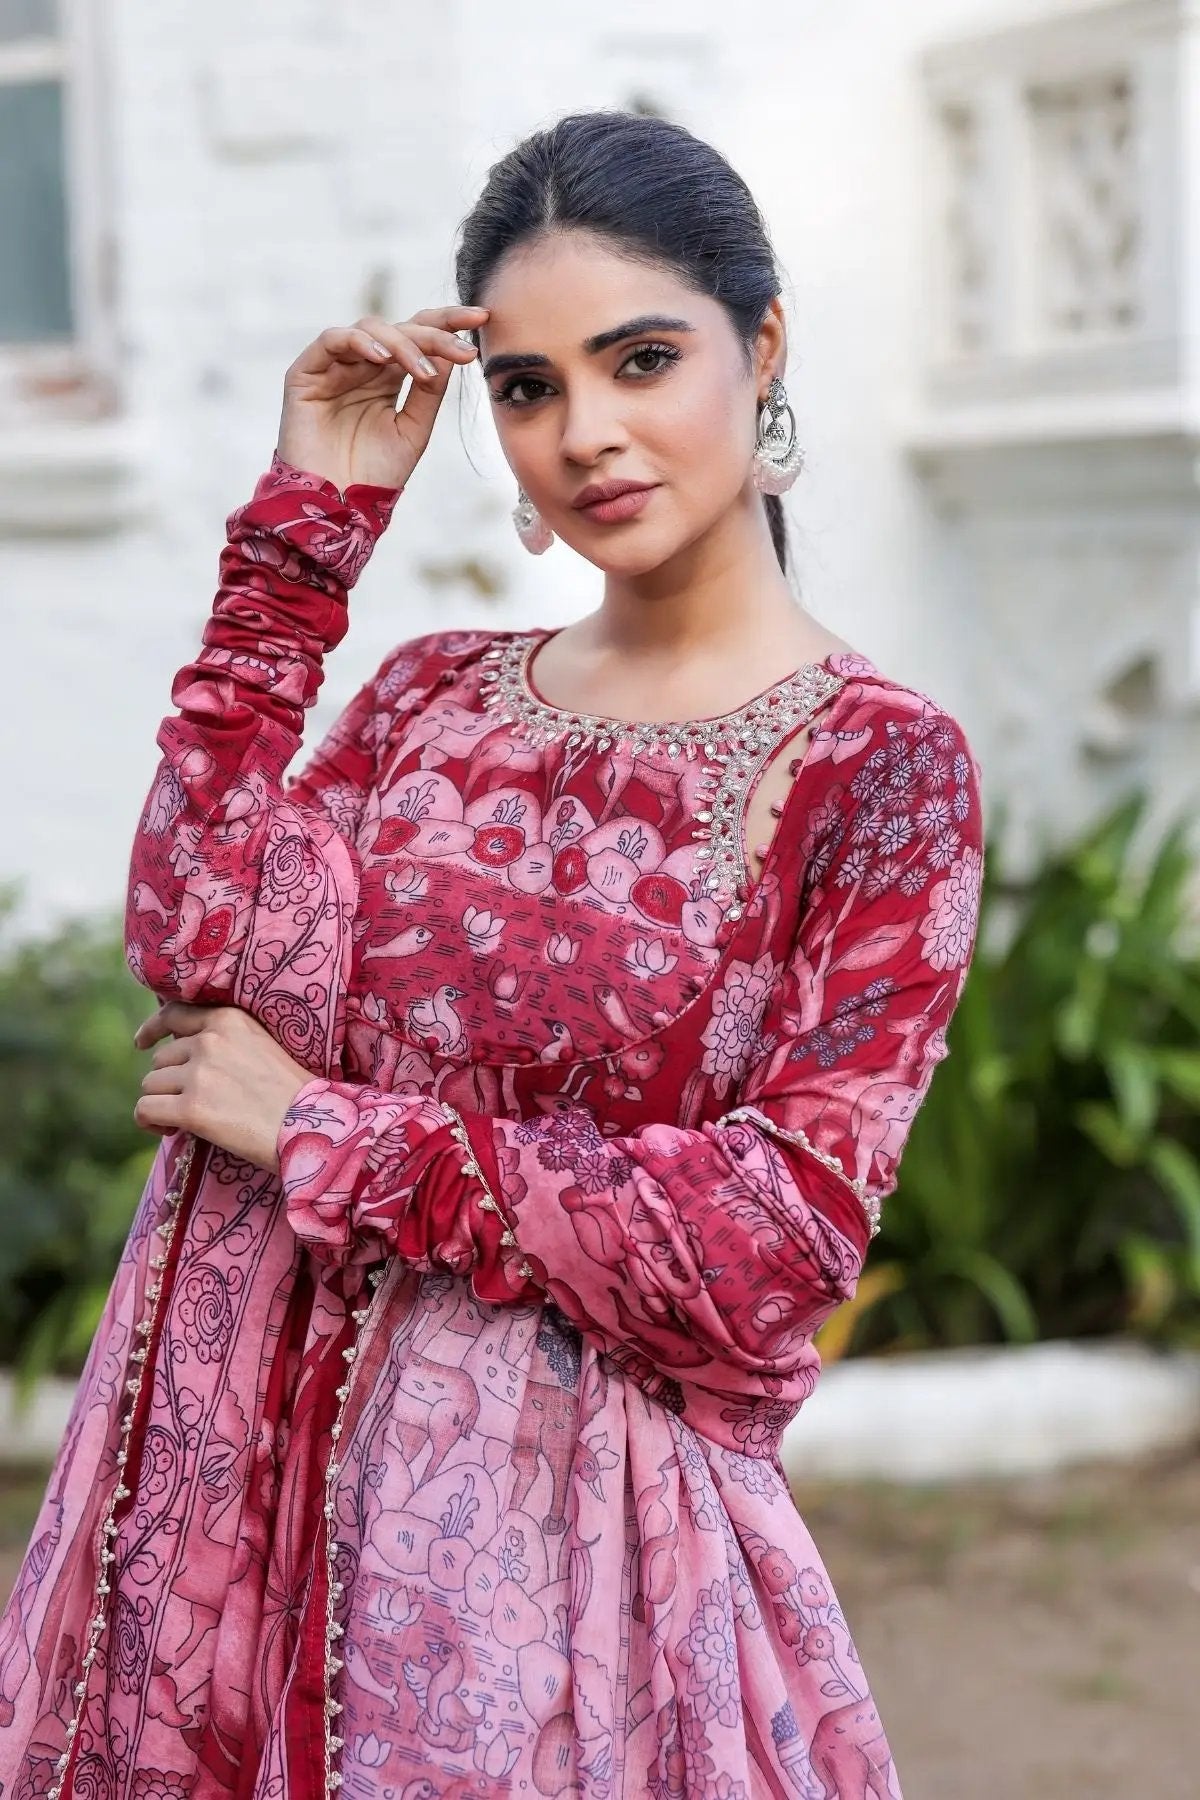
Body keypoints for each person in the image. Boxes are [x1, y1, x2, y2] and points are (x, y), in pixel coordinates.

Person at [0, 108, 983, 1799]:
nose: (586, 434)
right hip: (252, 1513)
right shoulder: (425, 700)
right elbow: (201, 933)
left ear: (763, 345)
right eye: (528, 389)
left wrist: (329, 1130)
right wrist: (312, 525)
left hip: (572, 1584)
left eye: (642, 359)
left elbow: (771, 1245)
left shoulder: (877, 771)